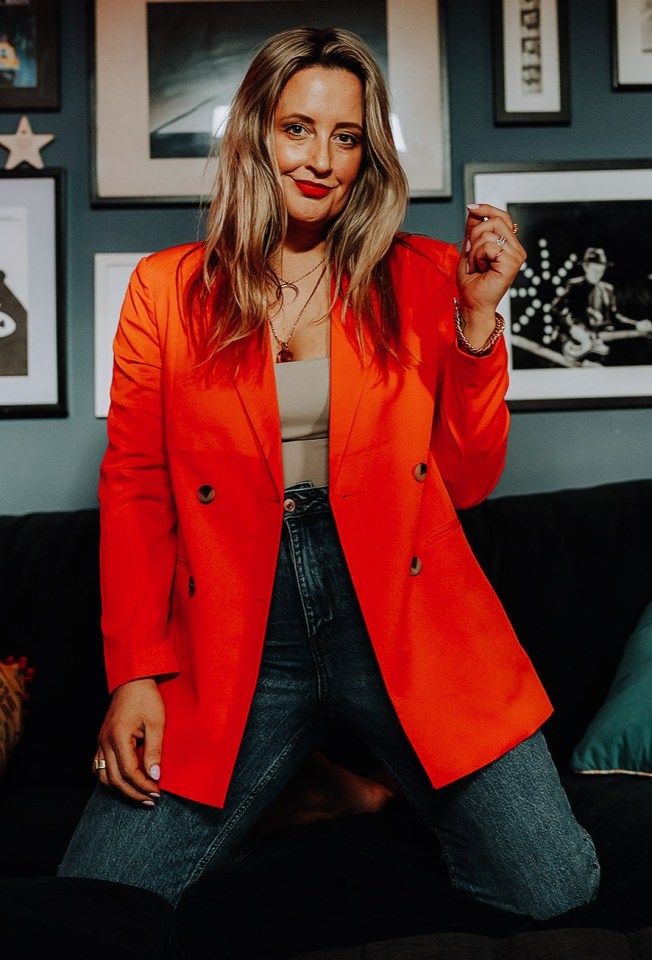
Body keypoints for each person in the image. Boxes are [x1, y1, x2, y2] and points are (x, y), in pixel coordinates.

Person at [58, 26, 599, 921]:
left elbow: (467, 478)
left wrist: (473, 330)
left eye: (345, 136)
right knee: (90, 904)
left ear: (368, 151)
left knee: (555, 885)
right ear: (254, 136)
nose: (320, 160)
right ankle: (309, 781)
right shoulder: (166, 290)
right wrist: (135, 674)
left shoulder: (427, 275)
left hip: (400, 620)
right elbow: (137, 484)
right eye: (296, 129)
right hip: (237, 635)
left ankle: (354, 789)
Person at [550, 246, 652, 362]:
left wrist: (636, 325)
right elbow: (554, 308)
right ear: (585, 267)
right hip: (578, 343)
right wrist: (572, 328)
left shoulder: (608, 289)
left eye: (600, 271)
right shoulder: (575, 286)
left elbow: (615, 317)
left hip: (600, 344)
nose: (597, 275)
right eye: (594, 271)